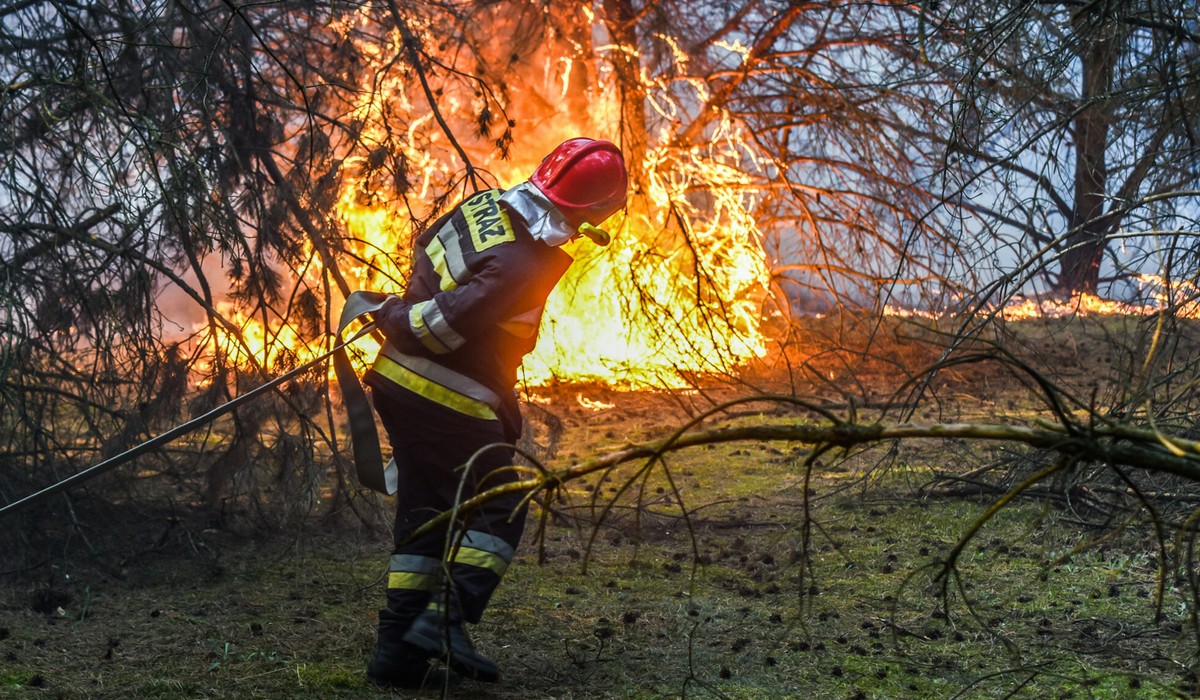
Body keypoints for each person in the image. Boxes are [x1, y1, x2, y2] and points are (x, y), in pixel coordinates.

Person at [362, 137, 629, 689]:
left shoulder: (484, 206)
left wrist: (398, 311)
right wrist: (393, 316)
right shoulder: (524, 263)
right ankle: (445, 622)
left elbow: (427, 255)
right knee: (501, 504)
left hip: (398, 383)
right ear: (590, 210)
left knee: (428, 509)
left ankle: (398, 659)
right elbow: (440, 331)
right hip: (441, 394)